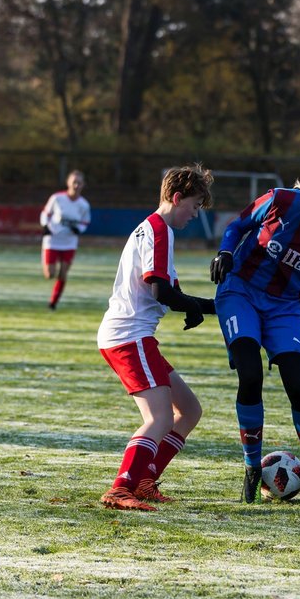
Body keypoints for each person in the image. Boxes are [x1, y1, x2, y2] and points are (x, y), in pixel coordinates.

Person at [209, 151, 300, 504]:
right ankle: (250, 468)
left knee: (298, 384)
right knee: (250, 374)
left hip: (286, 306)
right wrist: (226, 252)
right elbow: (238, 225)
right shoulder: (279, 200)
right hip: (240, 291)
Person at [95, 165, 217, 511]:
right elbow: (160, 290)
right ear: (177, 198)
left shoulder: (156, 230)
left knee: (189, 410)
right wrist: (215, 306)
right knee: (159, 418)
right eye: (194, 206)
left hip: (132, 335)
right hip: (128, 336)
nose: (195, 215)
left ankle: (145, 481)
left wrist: (194, 308)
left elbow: (168, 289)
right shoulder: (158, 231)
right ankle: (121, 488)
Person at [40, 170, 91, 310]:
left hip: (69, 242)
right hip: (53, 240)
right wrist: (45, 226)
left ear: (83, 185)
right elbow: (46, 213)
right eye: (74, 182)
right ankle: (51, 268)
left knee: (63, 273)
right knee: (49, 274)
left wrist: (79, 229)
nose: (76, 185)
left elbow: (85, 222)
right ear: (68, 183)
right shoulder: (57, 198)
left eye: (79, 183)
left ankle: (53, 303)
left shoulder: (84, 205)